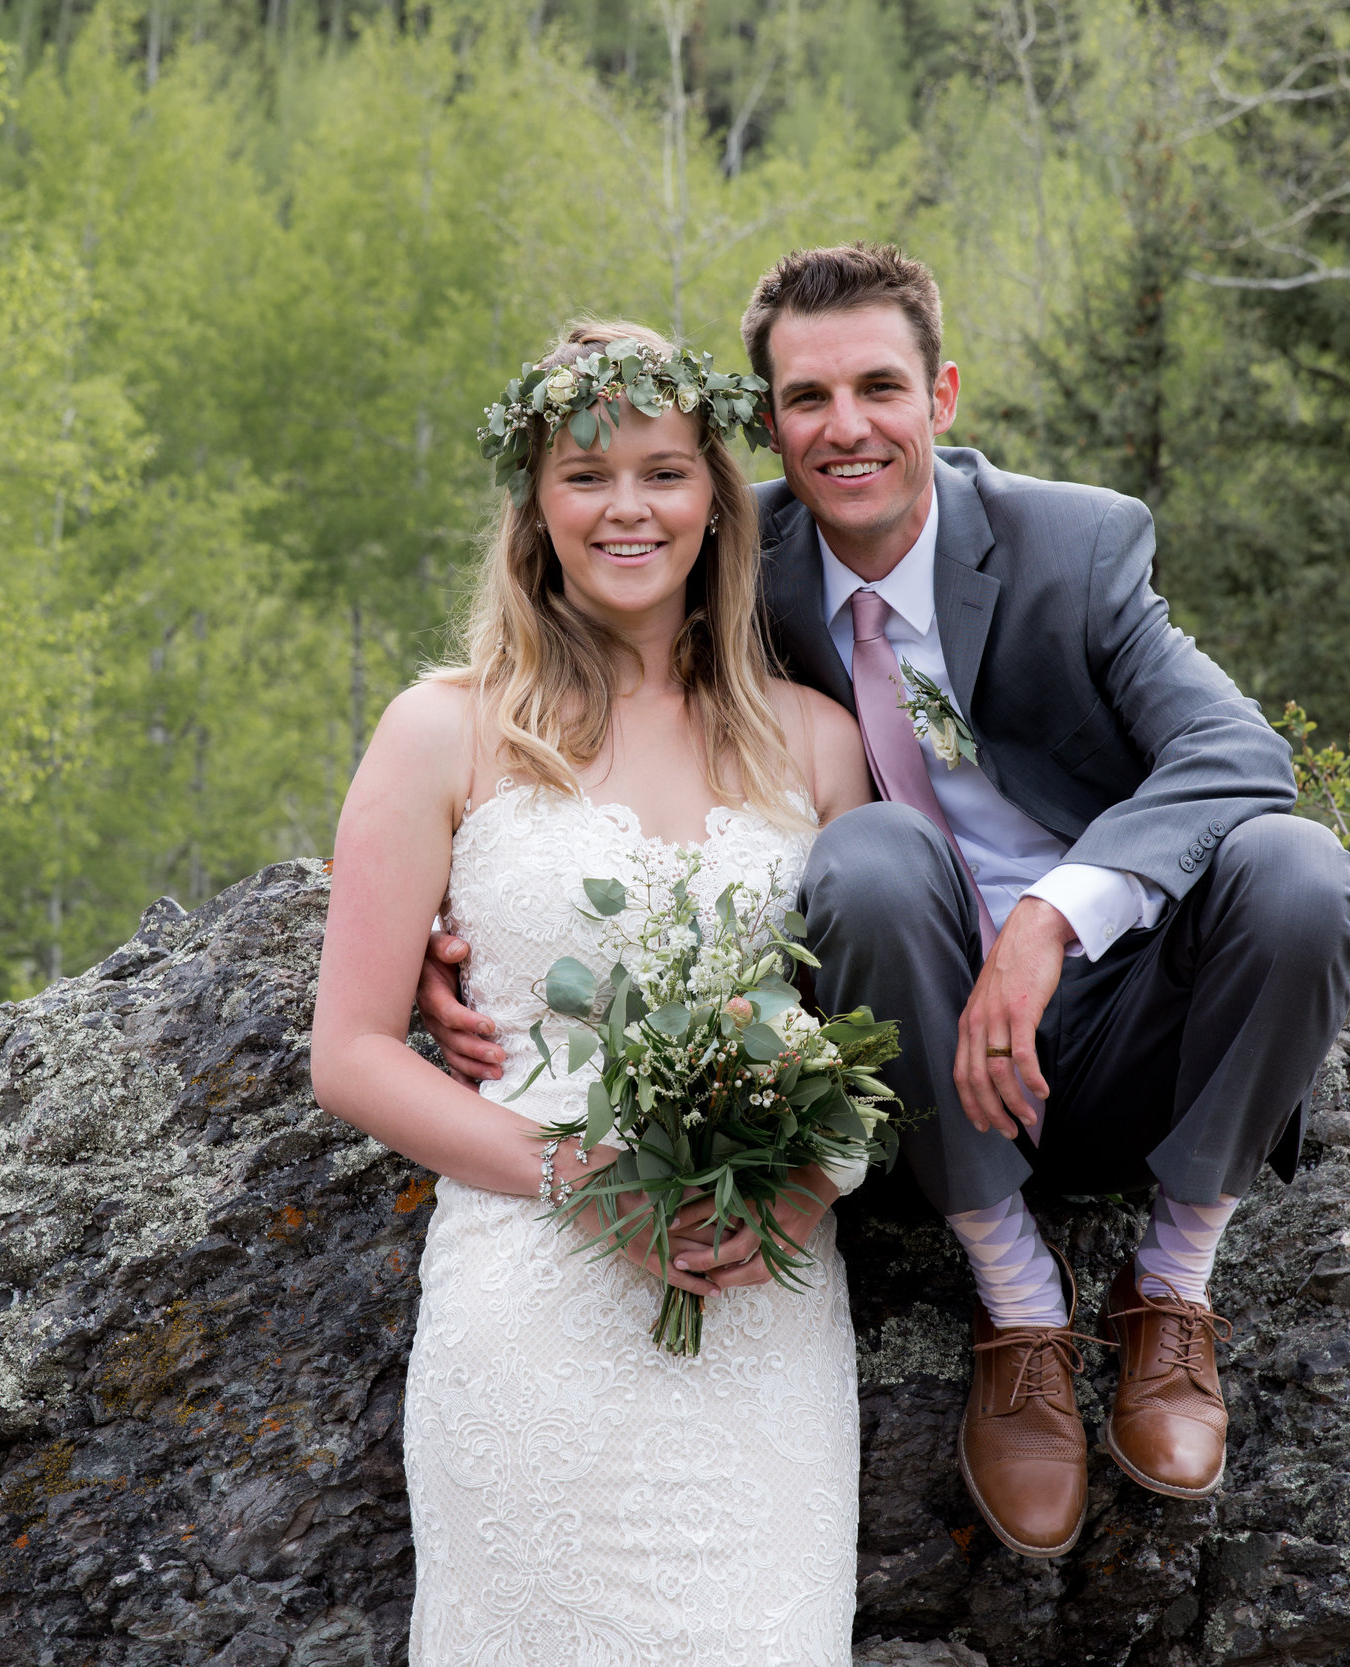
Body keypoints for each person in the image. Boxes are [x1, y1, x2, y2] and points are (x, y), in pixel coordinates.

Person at [420, 247, 1350, 1564]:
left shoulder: (1077, 544)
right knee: (864, 853)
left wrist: (1052, 922)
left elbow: (1235, 756)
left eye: (880, 386)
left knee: (1298, 870)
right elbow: (572, 702)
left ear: (944, 395)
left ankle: (1171, 1293)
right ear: (769, 423)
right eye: (807, 398)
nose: (846, 426)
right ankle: (1019, 1309)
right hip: (909, 1028)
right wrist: (455, 918)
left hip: (1116, 1011)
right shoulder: (731, 560)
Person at [310, 317, 876, 1664]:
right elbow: (352, 1053)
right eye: (586, 473)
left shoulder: (818, 739)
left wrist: (801, 1185)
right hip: (534, 1296)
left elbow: (874, 1030)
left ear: (718, 499)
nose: (629, 507)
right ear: (536, 503)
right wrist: (586, 1178)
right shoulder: (445, 727)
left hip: (763, 1309)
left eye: (666, 471)